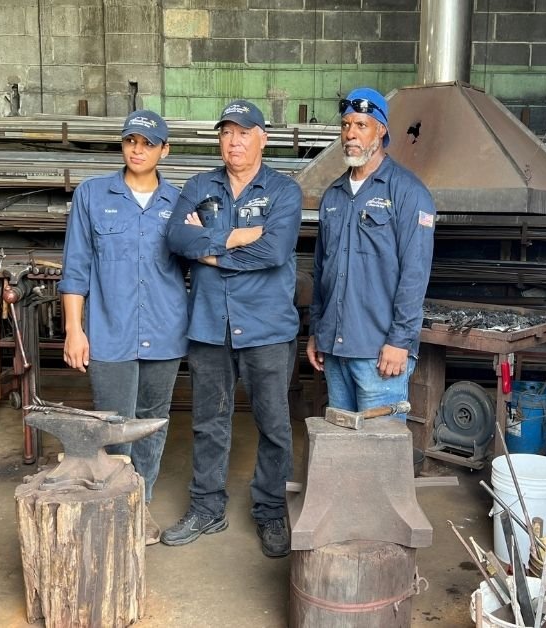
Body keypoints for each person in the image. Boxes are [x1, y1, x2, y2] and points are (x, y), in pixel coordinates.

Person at [163, 100, 302, 558]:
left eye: (243, 132)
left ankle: (269, 509)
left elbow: (275, 252)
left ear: (263, 137)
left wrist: (209, 252)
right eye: (226, 133)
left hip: (267, 328)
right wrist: (238, 237)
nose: (234, 141)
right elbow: (177, 239)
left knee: (275, 425)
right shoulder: (200, 186)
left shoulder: (284, 191)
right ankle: (206, 507)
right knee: (208, 423)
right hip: (209, 325)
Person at [58, 110, 187, 546]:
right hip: (110, 331)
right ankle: (115, 504)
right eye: (131, 140)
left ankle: (140, 504)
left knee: (153, 422)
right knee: (113, 424)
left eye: (148, 143)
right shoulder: (94, 195)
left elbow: (201, 261)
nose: (137, 149)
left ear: (164, 151)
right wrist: (74, 329)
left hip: (165, 330)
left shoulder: (179, 204)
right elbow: (75, 267)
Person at [306, 87, 436, 420]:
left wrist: (400, 341)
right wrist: (317, 332)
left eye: (361, 125)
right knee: (343, 453)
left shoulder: (407, 192)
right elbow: (322, 271)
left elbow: (415, 274)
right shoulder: (333, 196)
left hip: (381, 354)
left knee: (382, 455)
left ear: (381, 130)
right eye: (346, 125)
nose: (350, 134)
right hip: (335, 350)